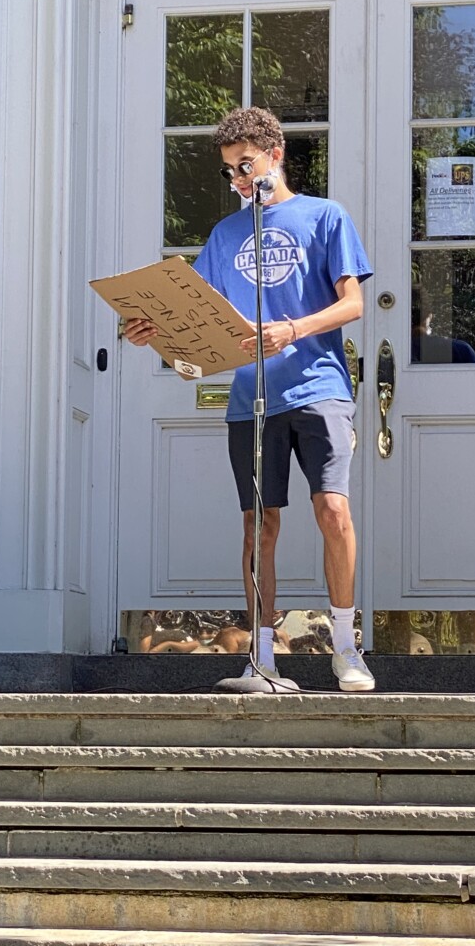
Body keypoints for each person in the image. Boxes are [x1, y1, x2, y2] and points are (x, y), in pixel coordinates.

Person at [124, 106, 374, 692]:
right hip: (250, 399)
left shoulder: (325, 217)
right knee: (258, 526)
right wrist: (154, 333)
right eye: (230, 173)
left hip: (319, 388)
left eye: (246, 166)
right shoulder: (226, 234)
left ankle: (345, 646)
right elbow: (198, 321)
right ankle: (261, 658)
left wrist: (293, 329)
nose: (238, 181)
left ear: (275, 156)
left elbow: (353, 305)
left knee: (332, 511)